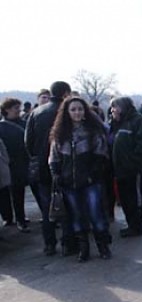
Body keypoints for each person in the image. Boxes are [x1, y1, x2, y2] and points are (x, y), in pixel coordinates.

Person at [49, 97, 111, 261]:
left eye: (80, 109)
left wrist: (93, 174)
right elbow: (54, 158)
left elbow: (101, 155)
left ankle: (103, 246)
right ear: (67, 113)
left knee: (95, 213)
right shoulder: (60, 134)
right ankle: (83, 248)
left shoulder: (93, 131)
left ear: (85, 111)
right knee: (76, 216)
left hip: (91, 181)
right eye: (73, 109)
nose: (77, 112)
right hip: (69, 182)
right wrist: (57, 175)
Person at [25, 81, 75, 256]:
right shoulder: (70, 111)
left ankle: (49, 244)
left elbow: (28, 143)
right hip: (67, 166)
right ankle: (68, 244)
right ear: (66, 93)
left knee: (47, 208)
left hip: (42, 167)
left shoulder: (36, 113)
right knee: (68, 206)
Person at [109, 96, 142, 238]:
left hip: (134, 170)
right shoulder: (118, 123)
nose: (112, 111)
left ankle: (137, 226)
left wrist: (132, 161)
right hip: (121, 170)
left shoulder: (136, 120)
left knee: (135, 198)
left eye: (114, 107)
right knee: (124, 199)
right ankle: (130, 224)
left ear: (122, 107)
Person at [0, 97, 30, 232]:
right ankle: (19, 219)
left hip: (24, 161)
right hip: (10, 164)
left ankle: (20, 218)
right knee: (16, 193)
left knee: (23, 191)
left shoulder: (25, 123)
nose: (19, 110)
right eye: (15, 108)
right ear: (7, 110)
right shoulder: (2, 127)